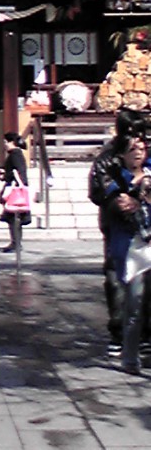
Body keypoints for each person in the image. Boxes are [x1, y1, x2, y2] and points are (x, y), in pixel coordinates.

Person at [89, 109, 148, 356]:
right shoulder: (107, 157)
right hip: (118, 227)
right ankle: (118, 331)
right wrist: (118, 200)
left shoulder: (147, 153)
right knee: (118, 280)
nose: (138, 141)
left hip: (146, 224)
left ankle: (144, 332)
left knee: (145, 281)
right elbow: (98, 190)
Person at [101, 136, 151, 374]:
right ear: (123, 154)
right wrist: (139, 188)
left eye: (142, 149)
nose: (139, 153)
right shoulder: (117, 180)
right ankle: (130, 357)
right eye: (133, 150)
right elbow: (118, 204)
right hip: (133, 249)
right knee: (135, 305)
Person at [0, 132, 31, 253]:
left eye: (6, 142)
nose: (5, 145)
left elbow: (17, 172)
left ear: (11, 142)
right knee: (14, 218)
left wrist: (6, 175)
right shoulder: (16, 154)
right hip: (16, 188)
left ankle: (16, 242)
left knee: (14, 217)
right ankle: (15, 242)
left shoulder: (15, 155)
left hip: (15, 190)